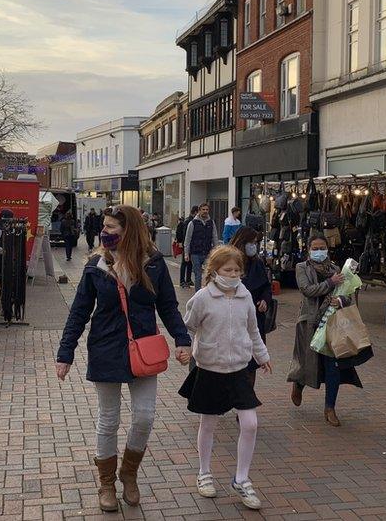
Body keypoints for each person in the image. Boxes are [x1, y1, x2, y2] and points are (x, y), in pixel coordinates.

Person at [55, 205, 192, 512]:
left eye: (113, 228)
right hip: (105, 349)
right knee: (109, 419)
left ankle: (129, 473)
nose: (106, 232)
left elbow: (168, 307)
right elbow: (79, 311)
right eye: (104, 227)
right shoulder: (96, 266)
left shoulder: (153, 264)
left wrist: (182, 340)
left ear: (130, 230)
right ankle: (106, 484)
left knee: (144, 416)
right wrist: (65, 353)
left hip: (143, 349)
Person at [179, 246, 271, 510]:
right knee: (208, 423)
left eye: (236, 270)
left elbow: (253, 331)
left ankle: (242, 479)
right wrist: (185, 348)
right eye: (227, 270)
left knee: (251, 424)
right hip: (210, 369)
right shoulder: (202, 298)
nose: (232, 274)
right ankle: (204, 472)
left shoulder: (246, 297)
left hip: (239, 369)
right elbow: (187, 326)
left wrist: (262, 356)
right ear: (214, 271)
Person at [287, 236, 371, 427]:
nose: (319, 251)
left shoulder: (336, 270)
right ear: (308, 249)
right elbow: (307, 290)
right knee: (308, 364)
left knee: (333, 366)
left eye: (322, 247)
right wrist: (330, 284)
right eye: (315, 248)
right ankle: (298, 385)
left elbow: (348, 294)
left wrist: (340, 301)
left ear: (327, 249)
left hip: (331, 324)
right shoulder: (302, 268)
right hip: (309, 322)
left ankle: (330, 408)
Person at [228, 226, 273, 388]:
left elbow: (266, 287)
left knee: (251, 362)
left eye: (256, 243)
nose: (254, 246)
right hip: (233, 317)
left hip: (254, 317)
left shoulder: (257, 263)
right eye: (251, 242)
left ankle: (246, 401)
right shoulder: (229, 261)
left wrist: (265, 300)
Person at [183, 203, 220, 291]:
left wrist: (217, 251)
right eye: (203, 209)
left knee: (211, 273)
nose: (205, 211)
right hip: (195, 253)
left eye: (207, 210)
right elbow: (188, 239)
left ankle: (210, 291)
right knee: (198, 275)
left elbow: (215, 237)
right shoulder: (193, 223)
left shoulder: (211, 222)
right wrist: (186, 253)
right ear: (199, 210)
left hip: (208, 252)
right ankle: (198, 294)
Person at [176, 207, 198, 288]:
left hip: (189, 245)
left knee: (189, 263)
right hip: (187, 245)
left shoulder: (190, 220)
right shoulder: (189, 221)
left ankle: (188, 280)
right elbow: (186, 234)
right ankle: (182, 281)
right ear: (195, 212)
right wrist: (184, 244)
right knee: (185, 263)